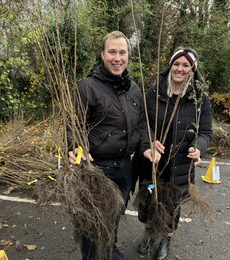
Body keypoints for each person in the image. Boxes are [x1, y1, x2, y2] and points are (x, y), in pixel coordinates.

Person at [67, 31, 160, 260]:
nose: (117, 58)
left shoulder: (134, 89)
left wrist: (146, 147)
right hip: (96, 169)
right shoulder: (88, 87)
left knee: (115, 213)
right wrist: (75, 146)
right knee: (92, 221)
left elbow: (140, 126)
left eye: (122, 52)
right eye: (112, 52)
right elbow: (73, 125)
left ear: (128, 55)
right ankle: (92, 256)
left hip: (124, 169)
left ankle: (109, 248)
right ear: (102, 54)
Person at [133, 47, 212, 260]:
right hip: (153, 165)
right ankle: (150, 232)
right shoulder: (154, 92)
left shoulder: (200, 99)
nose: (180, 68)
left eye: (185, 65)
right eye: (176, 64)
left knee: (172, 207)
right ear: (170, 66)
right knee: (149, 200)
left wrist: (199, 146)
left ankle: (165, 238)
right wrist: (150, 141)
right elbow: (143, 123)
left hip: (179, 169)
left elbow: (205, 131)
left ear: (192, 70)